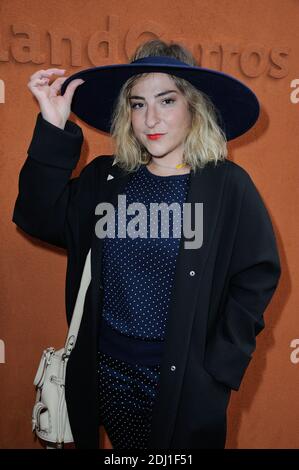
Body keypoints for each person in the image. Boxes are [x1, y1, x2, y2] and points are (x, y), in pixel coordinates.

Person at [12, 39, 281, 449]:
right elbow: (37, 216)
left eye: (166, 100)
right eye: (138, 104)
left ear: (194, 106)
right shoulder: (105, 179)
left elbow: (257, 276)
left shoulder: (227, 186)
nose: (150, 118)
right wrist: (53, 126)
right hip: (109, 374)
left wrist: (219, 368)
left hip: (185, 382)